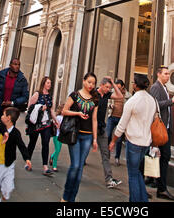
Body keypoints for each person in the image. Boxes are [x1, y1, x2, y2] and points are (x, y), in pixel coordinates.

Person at [109, 73, 156, 202]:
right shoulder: (152, 100)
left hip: (134, 142)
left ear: (135, 85)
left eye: (133, 83)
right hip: (146, 143)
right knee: (138, 173)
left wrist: (113, 141)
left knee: (133, 175)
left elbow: (121, 125)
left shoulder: (132, 101)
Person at [61, 72, 98, 202]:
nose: (91, 85)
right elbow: (64, 110)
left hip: (88, 136)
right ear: (84, 81)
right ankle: (65, 196)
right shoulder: (75, 95)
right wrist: (77, 113)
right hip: (75, 134)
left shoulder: (95, 98)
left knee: (80, 166)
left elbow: (94, 119)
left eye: (93, 83)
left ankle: (72, 198)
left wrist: (94, 138)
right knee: (75, 165)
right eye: (89, 82)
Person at [149, 65, 174, 201]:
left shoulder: (164, 87)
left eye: (169, 74)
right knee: (161, 156)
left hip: (164, 129)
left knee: (161, 156)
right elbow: (155, 105)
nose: (168, 76)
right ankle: (159, 187)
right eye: (165, 74)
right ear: (158, 74)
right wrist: (171, 101)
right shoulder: (156, 87)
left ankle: (158, 184)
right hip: (159, 129)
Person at [0, 107, 31, 202]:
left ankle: (3, 199)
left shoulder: (15, 133)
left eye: (3, 114)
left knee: (8, 188)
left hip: (9, 165)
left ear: (8, 118)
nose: (1, 116)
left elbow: (21, 146)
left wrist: (27, 158)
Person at [26, 76, 59, 176]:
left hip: (47, 123)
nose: (50, 84)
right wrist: (40, 108)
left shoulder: (50, 96)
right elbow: (30, 107)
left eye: (50, 83)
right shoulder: (37, 94)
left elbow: (51, 110)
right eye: (48, 83)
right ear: (43, 83)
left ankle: (45, 167)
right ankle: (27, 162)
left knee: (46, 144)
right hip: (36, 124)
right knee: (32, 143)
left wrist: (56, 120)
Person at [96, 76, 123, 188]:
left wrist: (112, 82)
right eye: (106, 87)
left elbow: (120, 96)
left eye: (109, 87)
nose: (108, 89)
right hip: (90, 127)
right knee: (83, 151)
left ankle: (109, 179)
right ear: (101, 85)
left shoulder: (107, 95)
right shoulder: (94, 94)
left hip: (101, 128)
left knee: (105, 153)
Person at [106, 79, 131, 166]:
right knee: (108, 135)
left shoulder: (128, 96)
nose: (117, 89)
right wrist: (110, 105)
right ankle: (107, 156)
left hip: (121, 119)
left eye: (119, 87)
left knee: (119, 139)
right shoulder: (111, 92)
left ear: (123, 86)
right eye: (116, 87)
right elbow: (108, 102)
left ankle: (117, 157)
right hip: (111, 117)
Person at [49, 103, 64, 172]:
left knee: (58, 150)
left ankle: (52, 157)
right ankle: (54, 166)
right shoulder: (58, 117)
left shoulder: (66, 118)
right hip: (56, 135)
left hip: (61, 136)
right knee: (57, 150)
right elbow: (57, 126)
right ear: (61, 110)